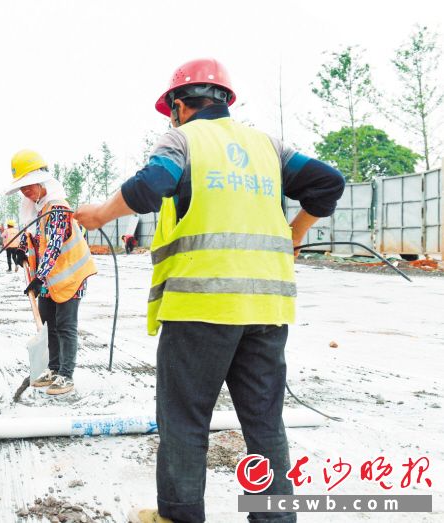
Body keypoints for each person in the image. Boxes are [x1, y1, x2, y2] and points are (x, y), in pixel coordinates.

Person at [74, 58, 345, 523]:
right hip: (266, 308)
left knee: (184, 420)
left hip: (201, 308)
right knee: (263, 420)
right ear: (225, 102)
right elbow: (328, 183)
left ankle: (179, 515)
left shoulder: (183, 139)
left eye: (171, 110)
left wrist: (99, 215)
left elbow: (152, 183)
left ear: (179, 106)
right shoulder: (268, 146)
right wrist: (294, 233)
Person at [7, 149, 97, 396]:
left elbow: (55, 244)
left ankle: (66, 375)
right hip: (49, 279)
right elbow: (36, 236)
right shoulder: (36, 209)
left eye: (28, 186)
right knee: (49, 325)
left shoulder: (57, 207)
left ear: (41, 180)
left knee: (66, 326)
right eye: (22, 188)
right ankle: (54, 368)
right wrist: (22, 250)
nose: (25, 191)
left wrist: (38, 277)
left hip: (70, 277)